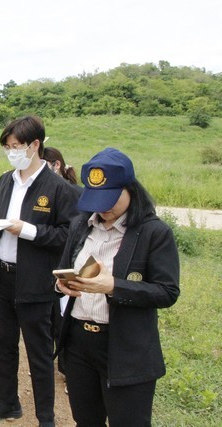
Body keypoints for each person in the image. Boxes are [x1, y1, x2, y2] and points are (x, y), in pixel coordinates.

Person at [55, 147, 180, 427]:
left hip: (125, 348)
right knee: (86, 421)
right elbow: (64, 270)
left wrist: (114, 286)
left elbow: (167, 291)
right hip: (78, 343)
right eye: (96, 199)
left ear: (131, 190)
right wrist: (63, 286)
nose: (103, 208)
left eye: (110, 199)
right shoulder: (80, 226)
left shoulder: (154, 233)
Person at [0, 115, 79, 426]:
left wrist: (28, 230)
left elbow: (67, 237)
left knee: (39, 352)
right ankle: (8, 403)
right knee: (3, 343)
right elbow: (5, 223)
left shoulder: (59, 189)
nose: (11, 152)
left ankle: (46, 417)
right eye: (7, 147)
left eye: (16, 146)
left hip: (35, 281)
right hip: (3, 276)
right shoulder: (6, 181)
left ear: (35, 145)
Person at [42, 146, 81, 377]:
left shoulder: (73, 193)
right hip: (49, 264)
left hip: (68, 264)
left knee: (66, 319)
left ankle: (68, 370)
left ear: (56, 165)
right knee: (50, 318)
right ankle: (49, 363)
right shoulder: (45, 191)